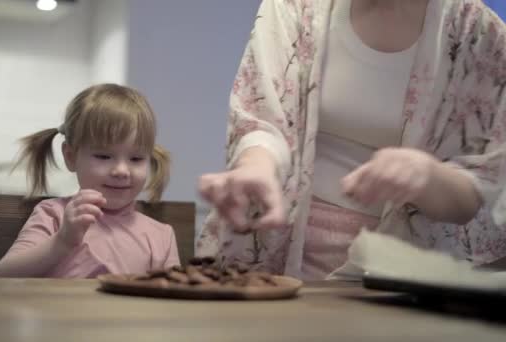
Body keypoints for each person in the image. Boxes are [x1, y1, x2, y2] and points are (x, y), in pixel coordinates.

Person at [196, 0, 506, 280]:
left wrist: (429, 178)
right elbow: (263, 119)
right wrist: (255, 168)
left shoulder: (482, 37)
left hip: (402, 277)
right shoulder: (293, 7)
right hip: (273, 257)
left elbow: (480, 188)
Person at [0, 84, 180, 278]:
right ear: (71, 157)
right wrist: (62, 241)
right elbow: (3, 276)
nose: (121, 171)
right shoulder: (54, 215)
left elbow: (172, 299)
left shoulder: (162, 236)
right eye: (103, 156)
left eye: (136, 159)